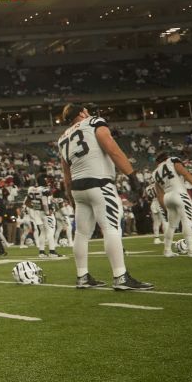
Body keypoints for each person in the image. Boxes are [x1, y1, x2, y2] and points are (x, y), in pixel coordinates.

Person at [57, 103, 153, 290]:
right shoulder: (93, 122)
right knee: (111, 228)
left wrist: (71, 197)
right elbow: (112, 148)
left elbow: (66, 175)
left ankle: (82, 276)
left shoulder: (62, 138)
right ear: (82, 112)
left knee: (81, 233)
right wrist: (132, 176)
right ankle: (120, 276)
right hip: (99, 183)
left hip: (78, 188)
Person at [152, 152, 192, 257]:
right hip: (179, 193)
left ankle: (167, 250)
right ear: (166, 157)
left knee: (171, 226)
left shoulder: (155, 173)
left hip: (167, 197)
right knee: (187, 222)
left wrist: (164, 208)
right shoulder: (172, 160)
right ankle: (191, 250)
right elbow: (185, 173)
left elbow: (159, 195)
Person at [23, 181, 59, 258]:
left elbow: (26, 203)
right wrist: (47, 212)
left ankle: (41, 252)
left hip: (37, 213)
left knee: (42, 232)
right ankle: (52, 251)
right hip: (45, 213)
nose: (52, 189)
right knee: (50, 231)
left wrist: (35, 207)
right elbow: (45, 202)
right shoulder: (44, 190)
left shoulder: (31, 189)